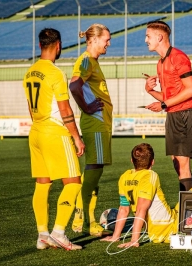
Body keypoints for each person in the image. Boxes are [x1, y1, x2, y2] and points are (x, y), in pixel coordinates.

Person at [23, 28, 85, 250]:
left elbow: (31, 109)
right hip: (54, 132)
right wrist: (76, 138)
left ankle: (42, 235)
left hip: (36, 131)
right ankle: (59, 232)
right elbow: (65, 108)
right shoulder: (56, 73)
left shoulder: (30, 72)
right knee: (73, 183)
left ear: (40, 45)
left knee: (42, 183)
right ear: (58, 45)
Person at [101, 143, 192, 247]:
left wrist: (115, 236)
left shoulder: (124, 177)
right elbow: (141, 210)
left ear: (132, 160)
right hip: (170, 227)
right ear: (153, 162)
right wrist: (134, 240)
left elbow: (123, 209)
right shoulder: (149, 175)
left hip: (154, 230)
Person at [143, 20, 192, 192]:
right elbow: (168, 97)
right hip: (173, 115)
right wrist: (150, 90)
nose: (146, 40)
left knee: (183, 165)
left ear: (159, 37)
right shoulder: (160, 63)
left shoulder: (178, 57)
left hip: (185, 114)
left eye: (148, 36)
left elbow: (191, 90)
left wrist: (163, 104)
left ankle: (188, 211)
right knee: (177, 164)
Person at [69, 23, 113, 237]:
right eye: (106, 39)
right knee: (94, 169)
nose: (109, 43)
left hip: (100, 124)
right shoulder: (86, 59)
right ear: (94, 40)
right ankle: (84, 216)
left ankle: (87, 218)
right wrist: (86, 107)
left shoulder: (93, 61)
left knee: (96, 170)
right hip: (95, 123)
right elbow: (74, 85)